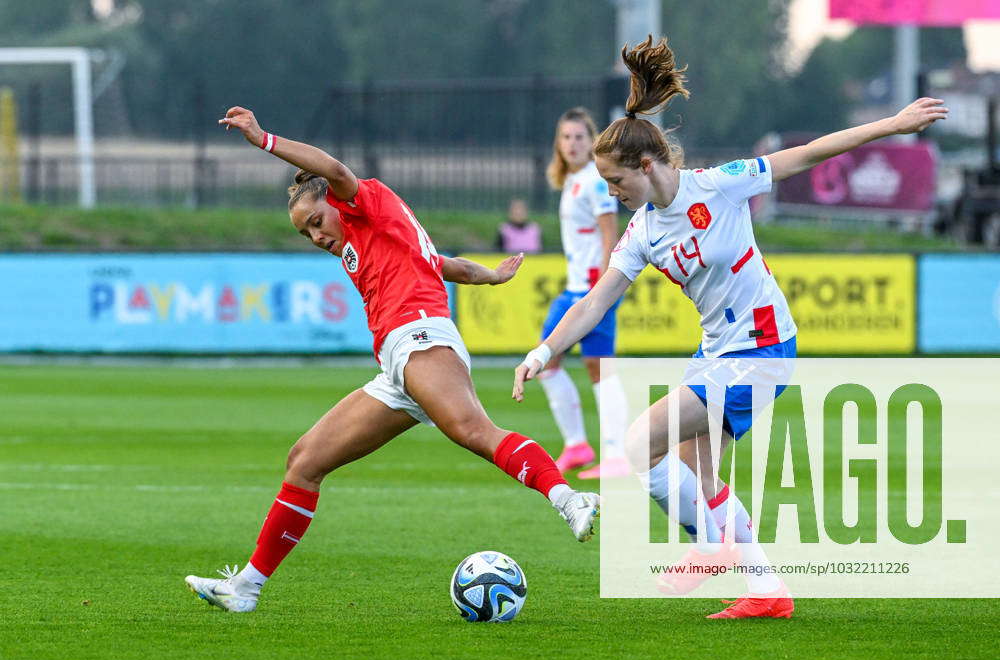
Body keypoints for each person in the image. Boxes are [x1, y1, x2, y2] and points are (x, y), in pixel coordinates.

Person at [513, 35, 948, 619]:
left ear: (647, 166)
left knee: (641, 442)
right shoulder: (643, 232)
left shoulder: (721, 183)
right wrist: (543, 350)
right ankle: (768, 591)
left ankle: (709, 550)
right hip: (720, 350)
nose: (611, 195)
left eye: (616, 183)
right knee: (703, 476)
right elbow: (594, 302)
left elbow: (811, 153)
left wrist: (890, 124)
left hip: (764, 345)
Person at [184, 106, 600, 613]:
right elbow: (442, 263)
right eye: (305, 234)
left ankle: (568, 498)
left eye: (316, 221)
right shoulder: (374, 234)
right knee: (305, 461)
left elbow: (335, 171)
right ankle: (246, 587)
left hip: (420, 337)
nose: (316, 237)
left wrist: (263, 139)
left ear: (335, 203)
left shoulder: (365, 201)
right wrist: (489, 276)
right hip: (397, 365)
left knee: (473, 431)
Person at [538, 107, 630, 480]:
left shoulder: (594, 181)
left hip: (591, 291)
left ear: (592, 142)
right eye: (566, 137)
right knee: (552, 362)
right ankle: (578, 445)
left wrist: (606, 289)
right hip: (577, 289)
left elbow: (611, 233)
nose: (572, 144)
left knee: (593, 368)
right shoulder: (575, 179)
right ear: (558, 144)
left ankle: (614, 453)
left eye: (579, 137)